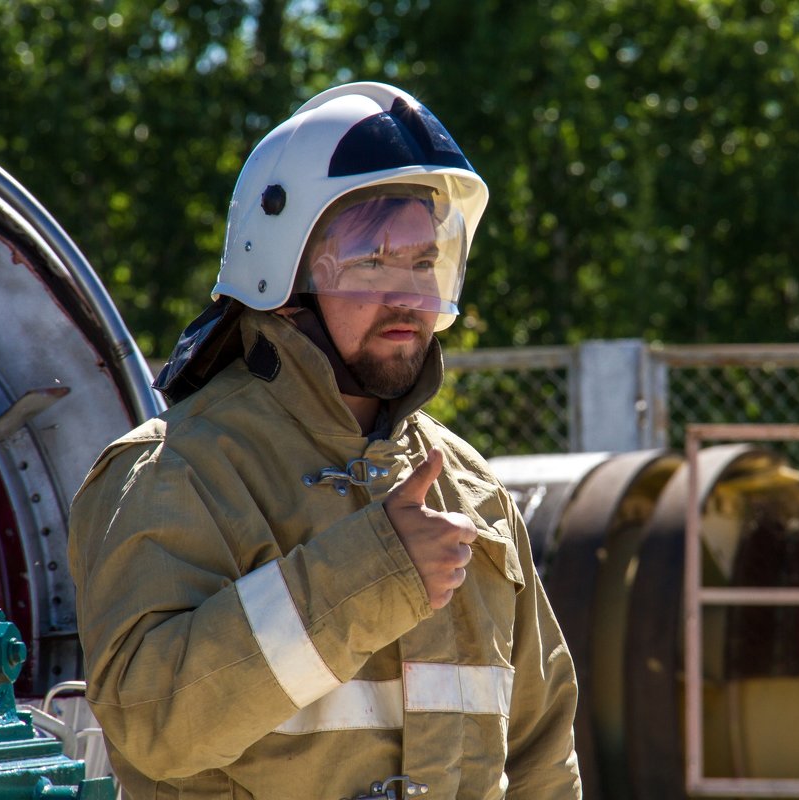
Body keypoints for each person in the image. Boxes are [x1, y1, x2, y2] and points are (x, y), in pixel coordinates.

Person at [67, 82, 583, 799]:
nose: (408, 292)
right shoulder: (173, 472)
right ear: (280, 269)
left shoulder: (473, 490)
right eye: (372, 259)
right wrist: (373, 572)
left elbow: (541, 753)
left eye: (424, 260)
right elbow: (154, 724)